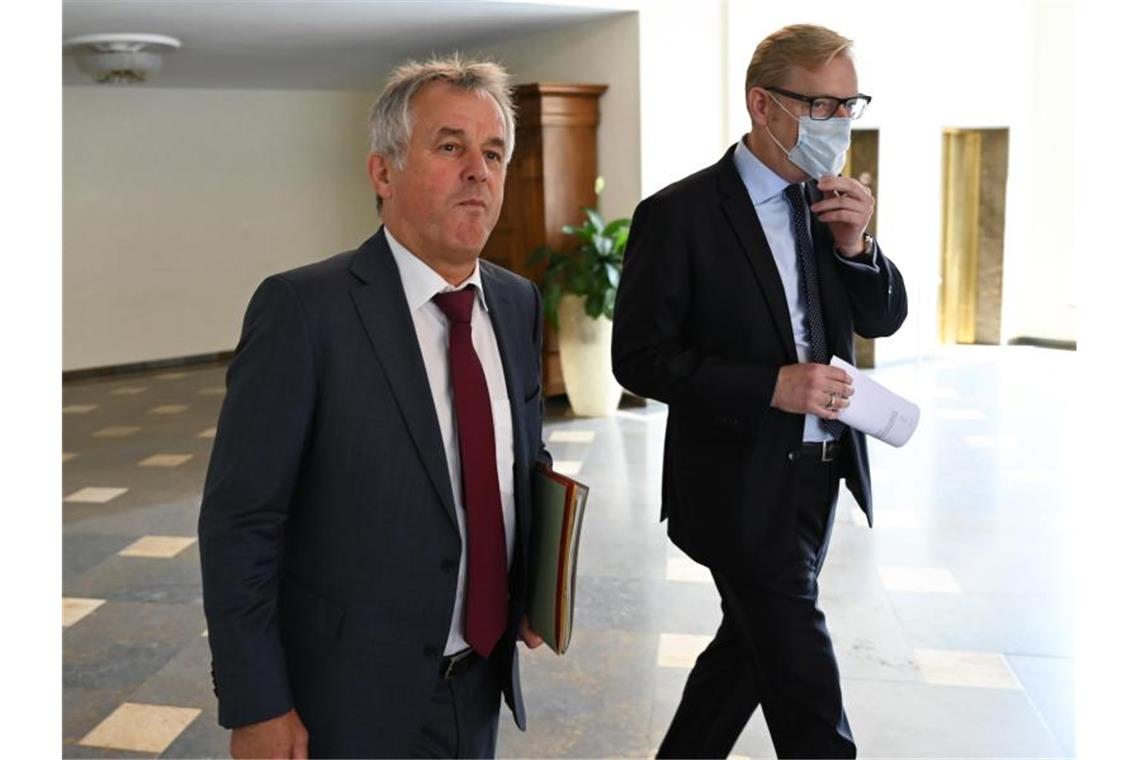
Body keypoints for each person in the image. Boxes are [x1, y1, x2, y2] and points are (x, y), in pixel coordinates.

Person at [198, 56, 550, 759]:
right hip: (348, 698)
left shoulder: (516, 302)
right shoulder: (304, 311)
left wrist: (534, 581)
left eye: (493, 153)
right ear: (383, 174)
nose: (478, 171)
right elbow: (241, 523)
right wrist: (257, 703)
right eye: (450, 147)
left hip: (479, 676)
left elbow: (520, 458)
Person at [612, 24, 907, 759]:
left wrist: (858, 247)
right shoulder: (678, 216)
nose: (838, 124)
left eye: (849, 105)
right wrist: (768, 387)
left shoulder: (830, 206)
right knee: (803, 676)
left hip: (822, 472)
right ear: (763, 105)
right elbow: (638, 359)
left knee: (749, 649)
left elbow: (884, 317)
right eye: (821, 105)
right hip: (734, 479)